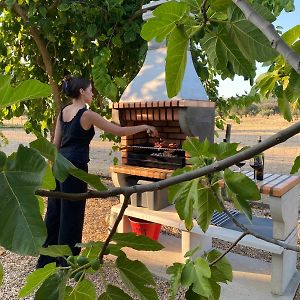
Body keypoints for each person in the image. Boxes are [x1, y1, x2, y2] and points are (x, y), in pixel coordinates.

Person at [36, 75, 158, 268]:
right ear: (82, 92)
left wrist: (53, 168)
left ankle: (45, 261)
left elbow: (55, 145)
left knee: (54, 213)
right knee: (72, 214)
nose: (93, 93)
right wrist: (144, 126)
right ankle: (67, 263)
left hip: (59, 165)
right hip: (75, 168)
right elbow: (117, 131)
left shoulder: (62, 112)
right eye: (91, 90)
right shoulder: (87, 114)